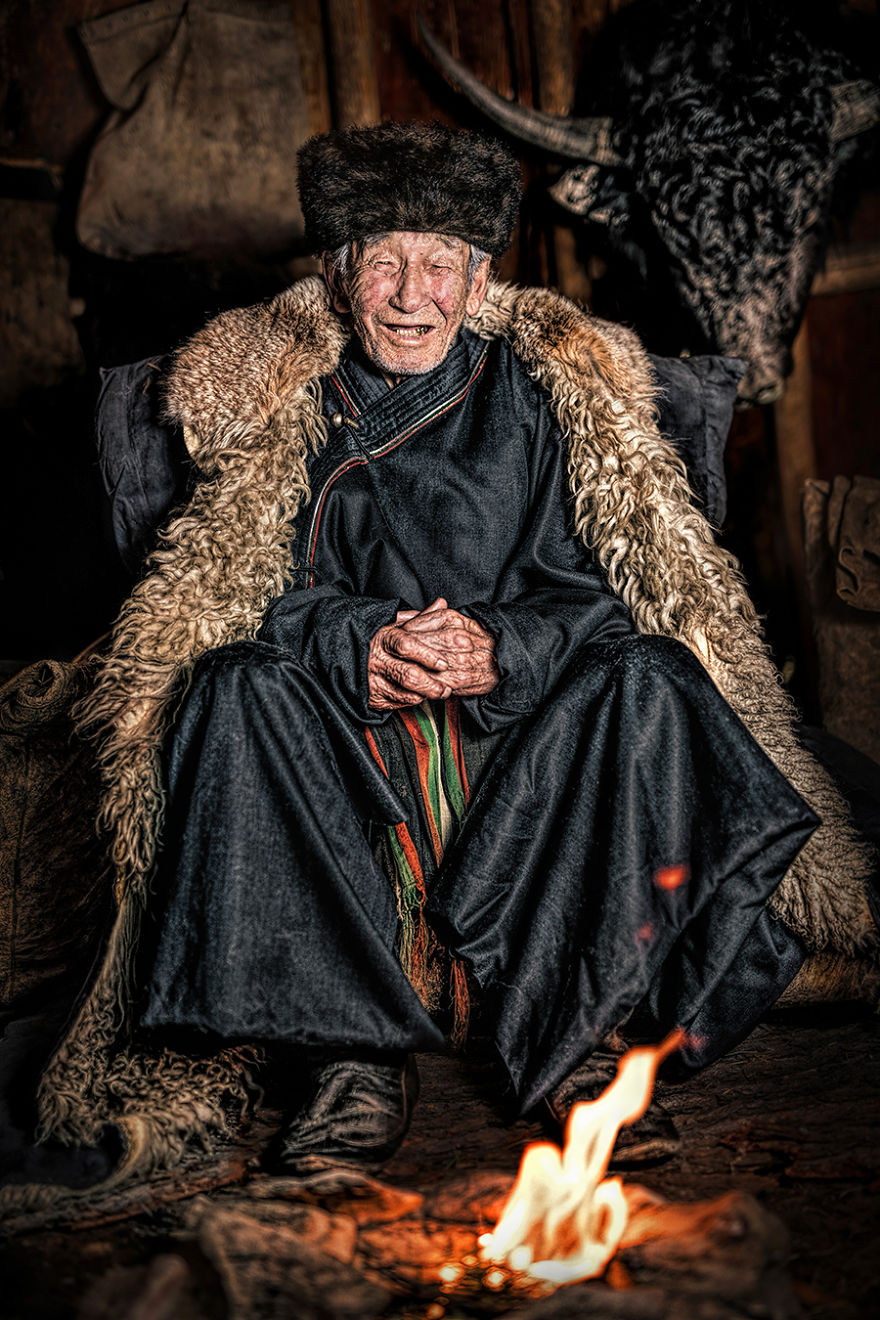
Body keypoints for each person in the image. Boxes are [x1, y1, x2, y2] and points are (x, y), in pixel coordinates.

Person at [31, 121, 876, 1188]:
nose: (410, 294)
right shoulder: (277, 402)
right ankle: (350, 1055)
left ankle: (576, 1038)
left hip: (521, 748)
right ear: (337, 274)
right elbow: (229, 597)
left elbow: (599, 596)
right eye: (383, 261)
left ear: (478, 282)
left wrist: (500, 648)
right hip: (343, 744)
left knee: (653, 675)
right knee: (230, 687)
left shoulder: (538, 397)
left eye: (439, 264)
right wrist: (354, 641)